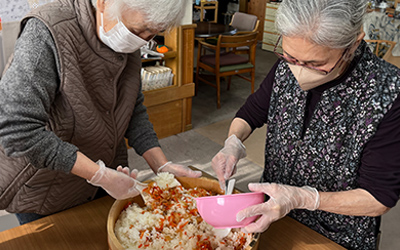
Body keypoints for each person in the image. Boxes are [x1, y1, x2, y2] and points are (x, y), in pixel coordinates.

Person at [211, 0, 400, 249]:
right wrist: (232, 142)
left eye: (315, 64)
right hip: (271, 214)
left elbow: (378, 198)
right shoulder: (286, 67)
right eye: (290, 57)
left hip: (334, 235)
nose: (298, 70)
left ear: (353, 44)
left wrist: (304, 197)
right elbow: (252, 112)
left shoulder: (387, 93)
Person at [0, 0, 201, 225]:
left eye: (153, 34)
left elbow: (131, 109)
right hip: (47, 189)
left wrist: (162, 166)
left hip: (104, 180)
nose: (143, 40)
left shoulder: (130, 43)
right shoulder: (48, 31)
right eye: (137, 30)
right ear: (104, 3)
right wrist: (98, 174)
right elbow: (17, 129)